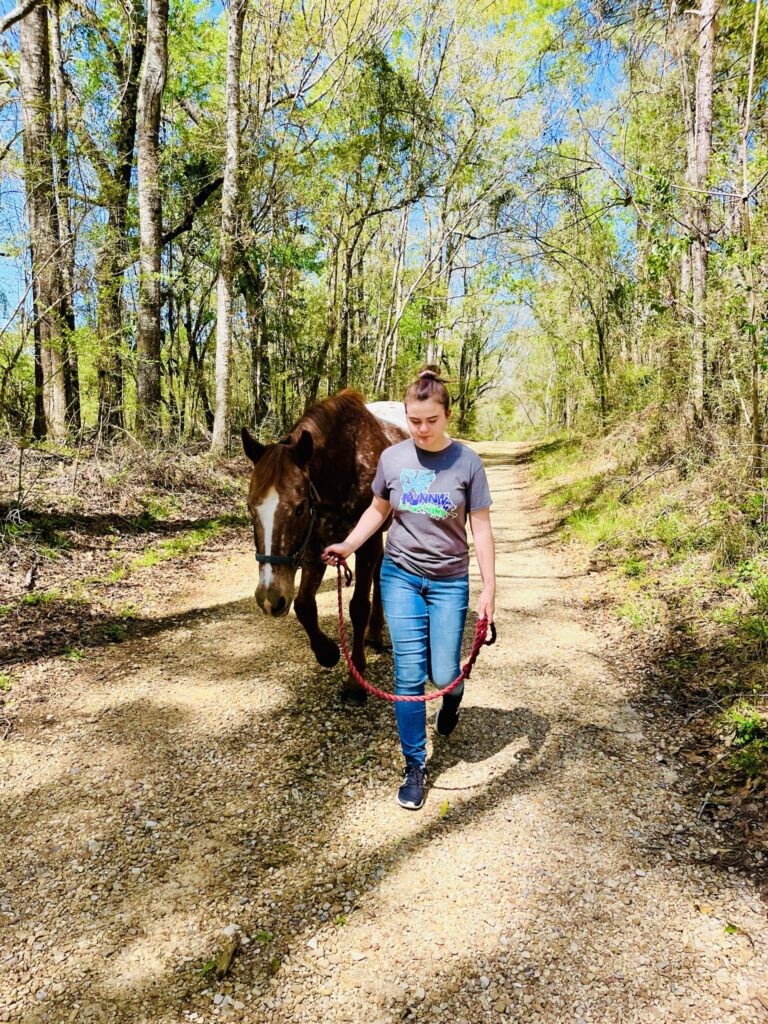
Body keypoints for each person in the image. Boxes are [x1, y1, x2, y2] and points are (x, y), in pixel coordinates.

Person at [322, 366, 496, 811]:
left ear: (447, 415)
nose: (421, 429)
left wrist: (489, 590)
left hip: (448, 581)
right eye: (414, 420)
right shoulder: (393, 459)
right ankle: (414, 765)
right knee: (408, 674)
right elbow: (378, 512)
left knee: (442, 673)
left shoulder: (467, 462)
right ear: (406, 415)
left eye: (431, 420)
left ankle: (452, 693)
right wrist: (348, 544)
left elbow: (481, 529)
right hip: (399, 576)